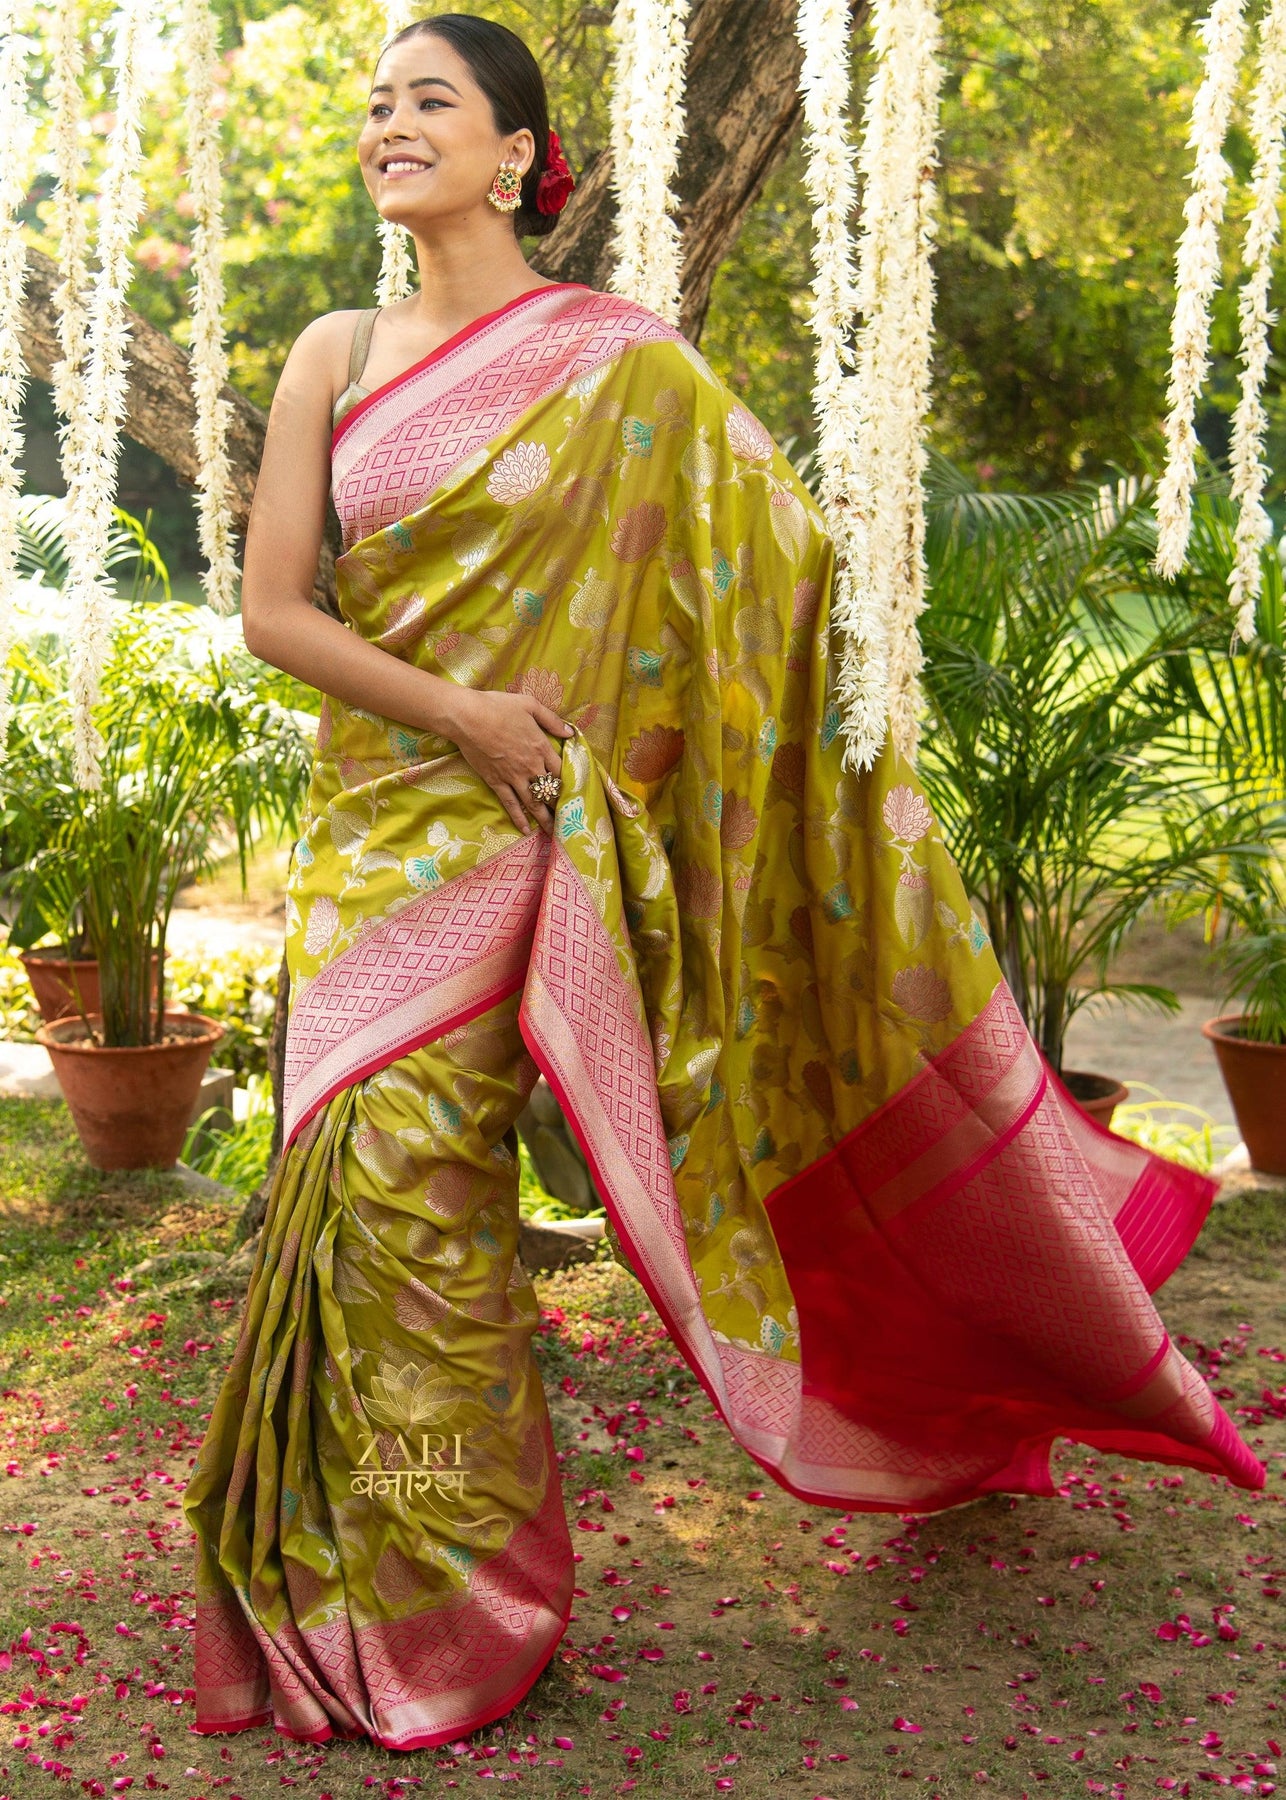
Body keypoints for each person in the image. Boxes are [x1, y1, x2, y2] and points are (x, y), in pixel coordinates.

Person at [183, 10, 1263, 1753]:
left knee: (426, 1198)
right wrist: (459, 710)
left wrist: (748, 758)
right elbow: (270, 612)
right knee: (369, 1199)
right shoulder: (332, 347)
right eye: (374, 103)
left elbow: (761, 575)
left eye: (427, 100)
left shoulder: (624, 362)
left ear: (517, 155)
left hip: (549, 834)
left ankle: (454, 1596)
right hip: (380, 834)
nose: (387, 124)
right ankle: (372, 1574)